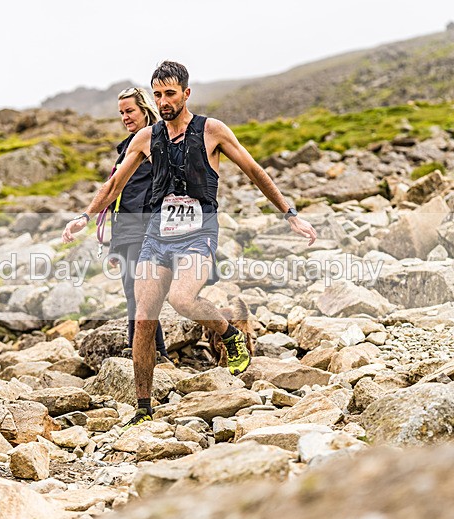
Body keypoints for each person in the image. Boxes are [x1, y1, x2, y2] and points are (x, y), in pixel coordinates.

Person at [63, 61, 317, 428]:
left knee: (181, 299)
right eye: (157, 95)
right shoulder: (146, 138)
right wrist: (85, 217)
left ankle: (230, 335)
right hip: (156, 237)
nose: (163, 102)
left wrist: (290, 213)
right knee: (144, 318)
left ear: (186, 93)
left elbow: (254, 171)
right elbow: (114, 184)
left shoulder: (212, 131)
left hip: (198, 235)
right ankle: (143, 408)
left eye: (170, 94)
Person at [101, 87, 168, 362]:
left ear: (145, 110)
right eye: (121, 113)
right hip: (127, 232)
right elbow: (119, 200)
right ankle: (153, 352)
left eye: (130, 111)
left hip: (145, 229)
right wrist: (115, 245)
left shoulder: (156, 142)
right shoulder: (126, 149)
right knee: (135, 293)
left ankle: (144, 352)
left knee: (139, 293)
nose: (125, 117)